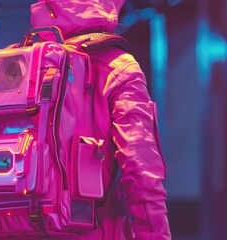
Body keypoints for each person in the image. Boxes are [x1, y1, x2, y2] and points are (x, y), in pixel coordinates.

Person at [30, 0, 171, 239]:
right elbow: (141, 170)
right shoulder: (119, 67)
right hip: (94, 230)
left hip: (25, 228)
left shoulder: (23, 63)